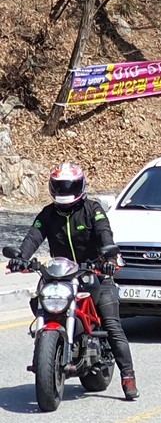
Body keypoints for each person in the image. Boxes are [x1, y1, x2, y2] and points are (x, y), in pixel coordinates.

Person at [9, 162, 138, 400]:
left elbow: (103, 232)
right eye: (60, 185)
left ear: (81, 185)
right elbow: (33, 236)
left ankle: (128, 376)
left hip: (95, 273)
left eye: (69, 185)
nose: (65, 189)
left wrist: (109, 258)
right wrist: (21, 258)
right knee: (41, 302)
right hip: (61, 274)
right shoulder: (48, 213)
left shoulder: (92, 209)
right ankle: (47, 356)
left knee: (111, 325)